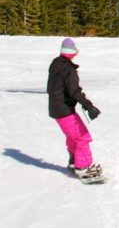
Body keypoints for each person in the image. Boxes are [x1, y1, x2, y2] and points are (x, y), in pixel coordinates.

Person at [47, 38, 102, 179]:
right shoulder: (68, 69)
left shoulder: (56, 64)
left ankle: (73, 162)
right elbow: (74, 91)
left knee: (73, 137)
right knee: (82, 137)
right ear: (73, 53)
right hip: (64, 109)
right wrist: (88, 106)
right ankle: (83, 167)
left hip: (56, 108)